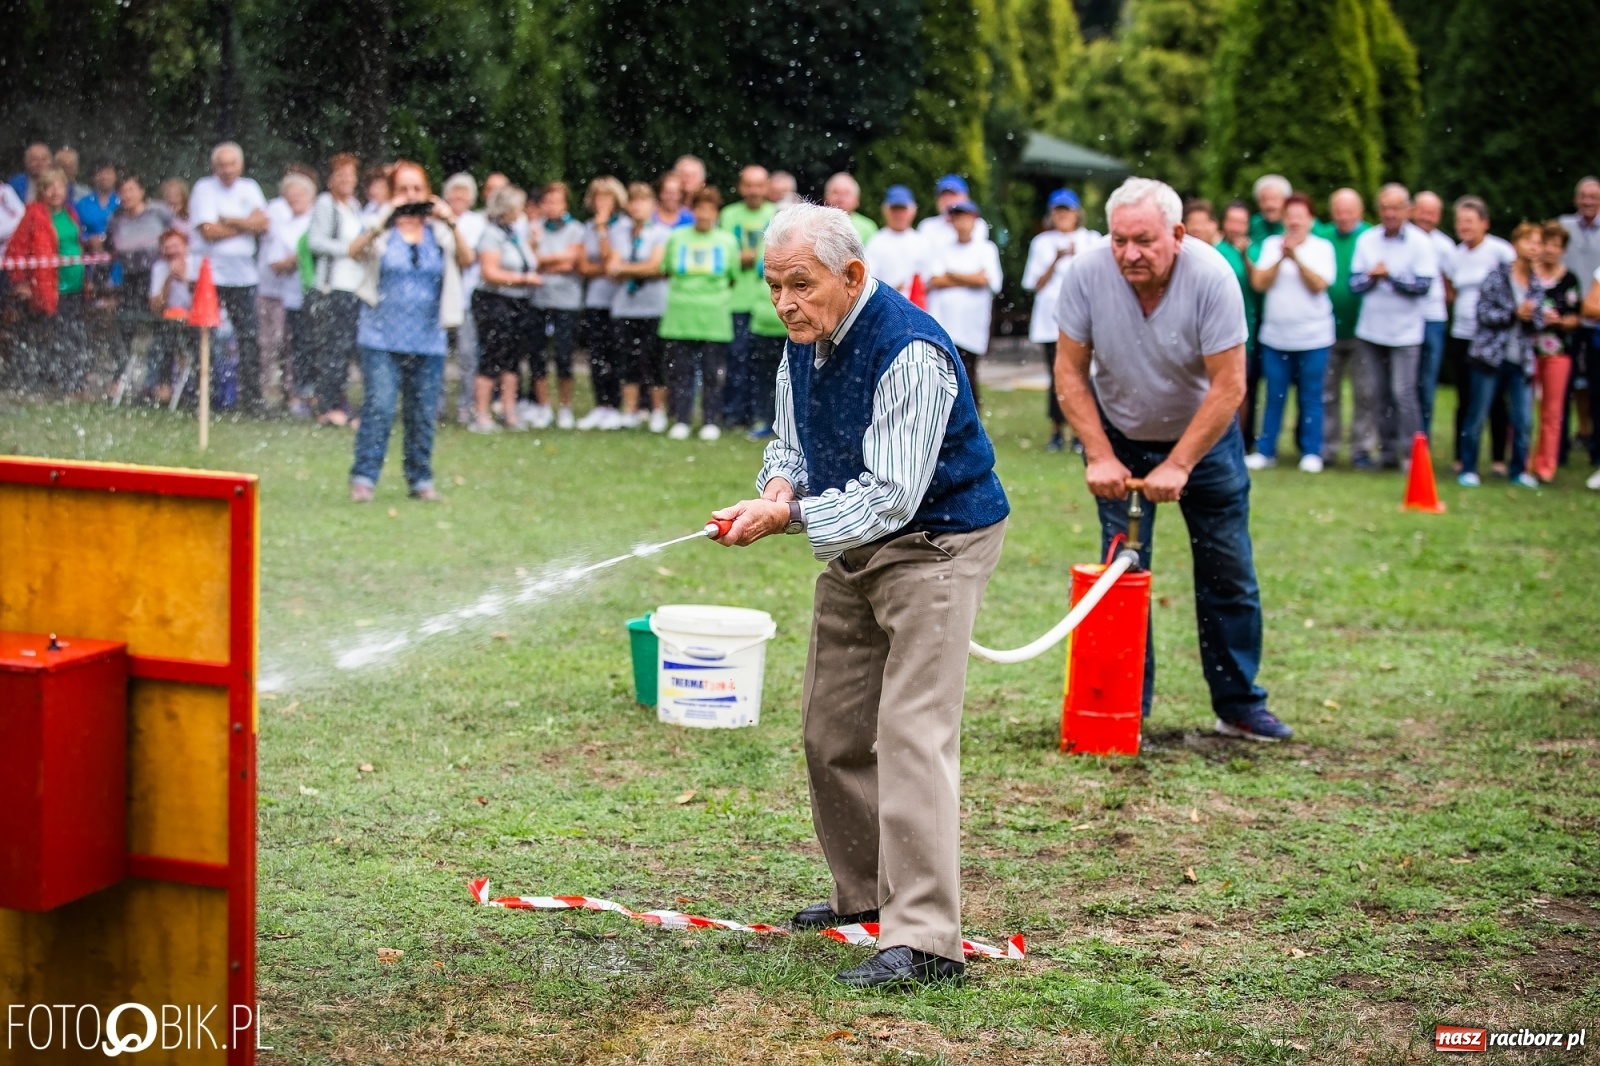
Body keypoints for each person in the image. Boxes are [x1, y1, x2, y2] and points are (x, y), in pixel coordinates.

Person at [709, 202, 1008, 989]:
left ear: (851, 275)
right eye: (773, 287)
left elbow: (893, 495)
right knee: (831, 729)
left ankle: (929, 942)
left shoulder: (909, 349)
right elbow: (791, 441)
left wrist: (788, 517)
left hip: (937, 540)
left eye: (799, 285)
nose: (784, 303)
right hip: (856, 541)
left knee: (912, 733)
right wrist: (776, 488)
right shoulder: (803, 338)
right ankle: (869, 899)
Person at [1053, 176, 1293, 743]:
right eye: (1119, 240)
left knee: (1228, 573)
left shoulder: (1212, 277)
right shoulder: (1086, 274)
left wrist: (1181, 464)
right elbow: (1069, 371)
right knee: (1122, 575)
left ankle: (1238, 705)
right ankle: (1124, 709)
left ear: (1178, 235)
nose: (1129, 254)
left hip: (1204, 442)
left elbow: (1230, 385)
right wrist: (1099, 454)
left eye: (1144, 241)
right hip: (1121, 436)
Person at [346, 160, 470, 503]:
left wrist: (450, 221)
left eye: (417, 189)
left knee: (422, 412)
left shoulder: (439, 231)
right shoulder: (381, 227)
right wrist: (384, 218)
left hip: (428, 337)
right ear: (391, 193)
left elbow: (467, 258)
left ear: (428, 193)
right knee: (380, 407)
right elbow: (354, 252)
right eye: (403, 189)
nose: (411, 195)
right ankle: (364, 478)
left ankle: (420, 479)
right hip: (380, 336)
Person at [1245, 193, 1335, 472]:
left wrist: (1295, 258)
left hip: (1314, 337)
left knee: (1311, 396)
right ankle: (1266, 450)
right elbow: (1260, 282)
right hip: (1276, 337)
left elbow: (1319, 284)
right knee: (1274, 396)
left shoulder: (1322, 247)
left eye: (1300, 217)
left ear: (1310, 220)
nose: (1294, 222)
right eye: (1290, 217)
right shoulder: (1271, 245)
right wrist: (1281, 258)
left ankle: (1311, 451)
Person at [1349, 184, 1436, 469]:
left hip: (1406, 332)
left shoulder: (1420, 242)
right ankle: (1386, 452)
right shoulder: (1367, 240)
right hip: (1371, 330)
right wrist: (1372, 278)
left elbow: (1423, 286)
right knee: (1378, 393)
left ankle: (1412, 454)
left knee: (1404, 393)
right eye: (1385, 207)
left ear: (1408, 210)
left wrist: (1391, 277)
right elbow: (1354, 283)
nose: (1390, 213)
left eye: (1396, 208)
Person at [1458, 222, 1542, 489]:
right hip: (1489, 358)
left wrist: (1534, 317)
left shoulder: (1536, 283)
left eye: (1537, 243)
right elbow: (1483, 313)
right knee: (1477, 414)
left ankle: (1519, 471)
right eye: (1528, 241)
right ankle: (1468, 469)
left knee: (1523, 419)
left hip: (1520, 360)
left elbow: (1538, 322)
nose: (1534, 247)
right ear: (1515, 245)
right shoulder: (1496, 276)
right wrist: (1513, 314)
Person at [188, 142, 269, 412]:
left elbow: (263, 224)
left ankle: (252, 399)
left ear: (240, 165)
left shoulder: (250, 187)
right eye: (222, 164)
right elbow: (208, 231)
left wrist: (230, 220)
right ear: (214, 167)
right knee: (205, 336)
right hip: (210, 274)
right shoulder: (204, 188)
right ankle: (207, 397)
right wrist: (246, 225)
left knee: (249, 336)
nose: (227, 169)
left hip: (244, 275)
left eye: (232, 164)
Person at [1024, 189, 1101, 451]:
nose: (1062, 216)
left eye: (1066, 211)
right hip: (1049, 323)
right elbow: (1035, 284)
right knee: (1058, 377)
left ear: (1077, 213)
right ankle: (1057, 430)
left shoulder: (1091, 240)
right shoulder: (1042, 243)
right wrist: (1056, 260)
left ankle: (1081, 431)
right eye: (1058, 211)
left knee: (1082, 375)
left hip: (1081, 322)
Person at [660, 186, 738, 440]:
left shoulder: (727, 241)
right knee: (680, 372)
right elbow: (667, 269)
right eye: (700, 209)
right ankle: (681, 419)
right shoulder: (677, 237)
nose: (704, 214)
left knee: (711, 373)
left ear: (716, 213)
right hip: (681, 315)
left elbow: (733, 276)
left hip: (714, 316)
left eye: (710, 209)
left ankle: (710, 421)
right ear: (692, 211)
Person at [1447, 196, 1515, 471]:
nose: (1464, 226)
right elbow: (1451, 288)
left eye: (1469, 221)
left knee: (1495, 398)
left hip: (1491, 336)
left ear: (1484, 223)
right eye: (1459, 221)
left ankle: (1498, 458)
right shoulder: (1455, 255)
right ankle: (1461, 456)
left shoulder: (1500, 251)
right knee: (1465, 398)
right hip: (1462, 334)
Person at [5, 168, 88, 392]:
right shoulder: (33, 215)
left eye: (58, 186)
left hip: (75, 285)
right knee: (48, 334)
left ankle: (72, 383)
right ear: (42, 191)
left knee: (73, 334)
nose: (54, 192)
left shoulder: (71, 213)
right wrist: (20, 282)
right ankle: (41, 383)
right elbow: (16, 251)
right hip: (46, 287)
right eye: (49, 187)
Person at [471, 183, 541, 433]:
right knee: (491, 355)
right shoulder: (491, 234)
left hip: (518, 302)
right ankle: (481, 413)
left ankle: (509, 411)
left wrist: (534, 245)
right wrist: (523, 279)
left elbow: (527, 262)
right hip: (494, 301)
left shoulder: (515, 233)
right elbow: (489, 272)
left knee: (512, 358)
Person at [1312, 189, 1374, 466]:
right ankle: (1328, 447)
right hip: (1327, 329)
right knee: (1327, 392)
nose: (1343, 216)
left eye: (1348, 211)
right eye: (1338, 211)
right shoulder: (1322, 236)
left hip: (1363, 329)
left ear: (1360, 211)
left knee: (1364, 392)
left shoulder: (1370, 237)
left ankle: (1361, 448)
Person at [306, 153, 367, 427]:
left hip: (354, 286)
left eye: (350, 175)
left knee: (349, 347)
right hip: (333, 286)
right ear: (330, 179)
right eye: (340, 175)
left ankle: (340, 402)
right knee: (333, 347)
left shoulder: (354, 206)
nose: (346, 180)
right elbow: (315, 242)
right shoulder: (325, 204)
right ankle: (327, 405)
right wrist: (347, 249)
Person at [607, 181, 673, 431]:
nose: (637, 207)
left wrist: (624, 268)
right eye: (633, 201)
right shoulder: (618, 232)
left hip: (655, 306)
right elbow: (611, 268)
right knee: (628, 361)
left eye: (642, 201)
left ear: (652, 206)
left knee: (655, 361)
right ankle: (630, 411)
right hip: (625, 307)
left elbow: (656, 267)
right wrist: (635, 268)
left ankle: (658, 411)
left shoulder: (662, 233)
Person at [926, 200, 1001, 413]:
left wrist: (952, 274)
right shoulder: (942, 249)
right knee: (945, 374)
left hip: (972, 324)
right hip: (946, 322)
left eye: (965, 217)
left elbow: (986, 280)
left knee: (968, 373)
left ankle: (972, 417)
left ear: (974, 220)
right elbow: (935, 280)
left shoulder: (986, 249)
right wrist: (970, 277)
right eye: (957, 218)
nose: (961, 222)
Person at [523, 181, 585, 429]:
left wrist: (544, 262)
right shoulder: (534, 229)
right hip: (539, 300)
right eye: (547, 202)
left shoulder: (576, 229)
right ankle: (543, 407)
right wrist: (553, 260)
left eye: (556, 201)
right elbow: (531, 262)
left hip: (566, 301)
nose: (552, 206)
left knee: (563, 355)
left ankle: (565, 407)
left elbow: (572, 262)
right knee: (537, 356)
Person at [719, 165, 776, 430]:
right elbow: (725, 253)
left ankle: (759, 413)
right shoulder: (729, 214)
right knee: (736, 358)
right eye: (749, 185)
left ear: (767, 187)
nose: (754, 190)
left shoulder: (776, 214)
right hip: (737, 299)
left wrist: (747, 256)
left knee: (763, 364)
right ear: (741, 187)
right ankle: (733, 413)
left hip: (766, 302)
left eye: (759, 185)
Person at [106, 174, 173, 393]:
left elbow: (178, 234)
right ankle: (120, 378)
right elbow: (110, 251)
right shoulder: (116, 220)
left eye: (131, 190)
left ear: (142, 191)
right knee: (124, 328)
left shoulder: (159, 212)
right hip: (130, 279)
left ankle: (162, 382)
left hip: (157, 276)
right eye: (123, 191)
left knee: (163, 327)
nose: (127, 195)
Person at [257, 171, 317, 409]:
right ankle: (298, 394)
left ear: (310, 195)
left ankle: (321, 394)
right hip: (292, 296)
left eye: (299, 194)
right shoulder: (282, 228)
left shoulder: (318, 221)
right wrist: (297, 259)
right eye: (289, 196)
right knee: (297, 345)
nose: (294, 199)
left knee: (319, 344)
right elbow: (275, 263)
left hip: (320, 293)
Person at [1530, 222, 1581, 482]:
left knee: (1552, 411)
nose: (1549, 249)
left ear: (1563, 250)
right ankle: (1522, 461)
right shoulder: (1528, 276)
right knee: (1524, 408)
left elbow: (1576, 317)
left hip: (1558, 352)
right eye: (1545, 243)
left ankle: (1546, 466)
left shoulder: (1569, 279)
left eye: (1555, 245)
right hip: (1528, 350)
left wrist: (1559, 321)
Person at [577, 176, 628, 430]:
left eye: (607, 197)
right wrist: (607, 268)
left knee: (617, 353)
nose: (602, 202)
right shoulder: (587, 226)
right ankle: (601, 404)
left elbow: (612, 262)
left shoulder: (624, 226)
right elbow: (585, 266)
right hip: (595, 299)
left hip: (619, 301)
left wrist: (602, 230)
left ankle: (617, 405)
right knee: (597, 354)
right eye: (598, 197)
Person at [1214, 200, 1261, 450]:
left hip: (1249, 331)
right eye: (1232, 221)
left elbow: (1259, 284)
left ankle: (1242, 441)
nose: (1236, 227)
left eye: (1241, 222)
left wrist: (1245, 256)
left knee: (1244, 388)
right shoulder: (1215, 250)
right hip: (1218, 329)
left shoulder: (1255, 250)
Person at [1560, 177, 1600, 463]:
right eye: (1583, 196)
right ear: (1576, 199)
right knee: (1563, 388)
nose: (1588, 201)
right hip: (1567, 320)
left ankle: (1595, 448)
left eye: (1594, 196)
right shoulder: (1564, 226)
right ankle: (1559, 449)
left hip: (1596, 322)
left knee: (1596, 388)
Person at [1412, 191, 1457, 436]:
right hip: (1405, 319)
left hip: (1433, 320)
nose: (1426, 217)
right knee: (1403, 383)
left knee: (1426, 382)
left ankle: (1422, 438)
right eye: (1422, 211)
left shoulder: (1445, 246)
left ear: (1439, 216)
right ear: (1412, 211)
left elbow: (1452, 288)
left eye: (1432, 213)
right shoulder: (1404, 239)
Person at [443, 172, 484, 424]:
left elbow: (467, 257)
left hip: (466, 296)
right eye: (454, 191)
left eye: (463, 192)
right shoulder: (437, 220)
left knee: (468, 354)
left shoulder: (477, 223)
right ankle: (435, 404)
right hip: (441, 298)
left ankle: (465, 405)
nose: (458, 197)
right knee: (438, 353)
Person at [147, 228, 197, 404]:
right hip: (170, 322)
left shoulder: (197, 264)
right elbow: (156, 307)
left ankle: (197, 390)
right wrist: (168, 279)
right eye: (167, 247)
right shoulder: (159, 268)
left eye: (175, 246)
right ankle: (162, 387)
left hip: (195, 322)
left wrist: (184, 279)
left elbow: (203, 301)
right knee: (163, 340)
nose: (171, 251)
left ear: (186, 247)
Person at [864, 185, 930, 299]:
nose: (899, 214)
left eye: (903, 209)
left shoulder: (922, 242)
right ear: (885, 211)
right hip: (886, 304)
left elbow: (930, 278)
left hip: (918, 306)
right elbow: (868, 281)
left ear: (913, 211)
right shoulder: (876, 242)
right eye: (894, 210)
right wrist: (892, 290)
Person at [917, 175, 989, 246]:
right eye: (943, 195)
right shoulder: (927, 226)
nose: (947, 199)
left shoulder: (978, 224)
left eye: (953, 194)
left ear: (966, 197)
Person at [75, 161, 119, 257]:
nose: (104, 177)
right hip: (90, 257)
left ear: (115, 176)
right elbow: (76, 230)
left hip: (119, 257)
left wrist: (107, 240)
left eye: (108, 173)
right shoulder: (82, 204)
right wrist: (88, 239)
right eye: (100, 173)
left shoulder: (123, 202)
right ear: (93, 177)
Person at [824, 172, 878, 245]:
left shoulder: (868, 227)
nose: (840, 198)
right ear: (826, 197)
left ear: (857, 200)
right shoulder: (817, 225)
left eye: (846, 193)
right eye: (835, 192)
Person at [1249, 174, 1290, 244]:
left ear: (1286, 201)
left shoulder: (1301, 223)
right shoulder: (1251, 224)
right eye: (1263, 200)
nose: (1269, 205)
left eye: (1274, 199)